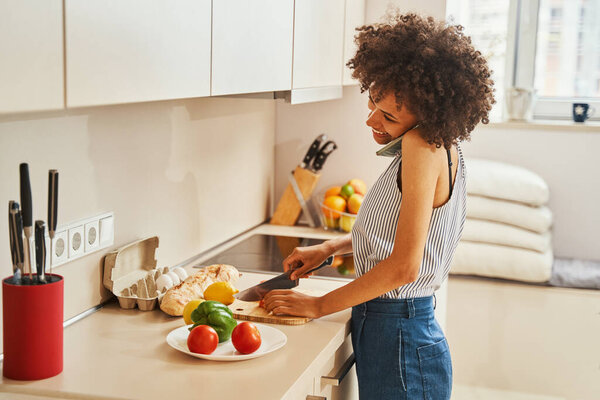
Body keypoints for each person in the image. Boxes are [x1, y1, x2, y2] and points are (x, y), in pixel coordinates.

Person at [263, 12, 494, 400]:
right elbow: (398, 232)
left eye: (388, 115)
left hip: (401, 338)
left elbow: (405, 266)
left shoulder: (422, 148)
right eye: (373, 101)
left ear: (429, 114)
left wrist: (318, 305)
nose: (372, 119)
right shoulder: (436, 144)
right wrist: (330, 247)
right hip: (396, 334)